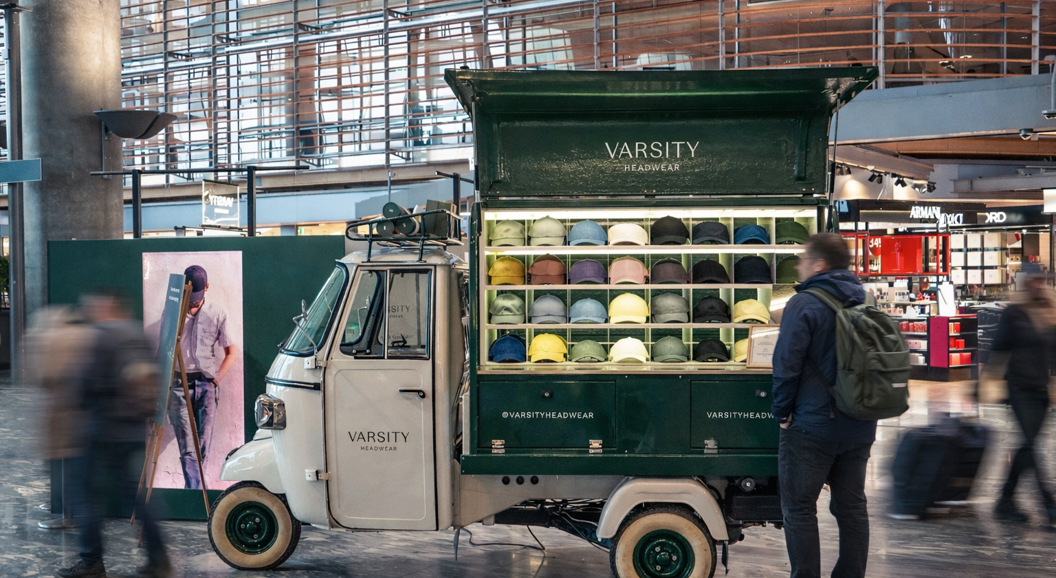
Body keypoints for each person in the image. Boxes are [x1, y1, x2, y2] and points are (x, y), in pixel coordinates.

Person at [771, 233, 875, 578]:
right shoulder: (865, 297)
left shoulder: (803, 304)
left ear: (819, 265)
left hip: (813, 425)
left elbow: (787, 364)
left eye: (803, 260)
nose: (799, 266)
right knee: (851, 507)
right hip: (860, 422)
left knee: (799, 508)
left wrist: (782, 412)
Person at [56, 287, 170, 578]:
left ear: (107, 305)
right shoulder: (138, 335)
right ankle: (159, 558)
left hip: (100, 431)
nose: (89, 310)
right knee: (134, 494)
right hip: (131, 430)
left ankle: (92, 563)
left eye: (92, 304)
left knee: (85, 496)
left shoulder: (102, 337)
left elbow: (86, 384)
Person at [982, 264, 1056, 526]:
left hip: (1040, 390)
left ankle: (1004, 501)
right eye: (1033, 280)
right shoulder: (1014, 313)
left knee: (1027, 446)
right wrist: (984, 382)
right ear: (1024, 282)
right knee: (1032, 446)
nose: (1037, 284)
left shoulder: (1048, 312)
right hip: (1019, 389)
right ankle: (1049, 506)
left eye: (1041, 280)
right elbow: (998, 348)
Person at [169, 264, 238, 489]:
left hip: (207, 384)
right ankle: (196, 493)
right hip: (179, 385)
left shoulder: (218, 313)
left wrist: (216, 380)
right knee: (187, 447)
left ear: (207, 288)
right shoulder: (173, 311)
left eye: (197, 297)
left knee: (204, 446)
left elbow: (231, 352)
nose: (193, 302)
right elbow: (164, 349)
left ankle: (195, 493)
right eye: (190, 297)